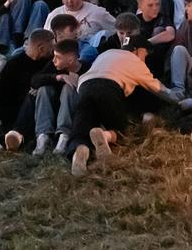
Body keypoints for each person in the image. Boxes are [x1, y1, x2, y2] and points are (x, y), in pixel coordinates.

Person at [68, 36, 182, 176]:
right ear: (138, 51)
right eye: (144, 55)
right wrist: (180, 100)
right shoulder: (135, 62)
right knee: (123, 129)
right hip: (109, 87)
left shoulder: (107, 53)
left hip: (84, 87)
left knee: (81, 127)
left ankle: (81, 149)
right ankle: (105, 136)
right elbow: (158, 89)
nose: (144, 59)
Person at [0, 30, 54, 152]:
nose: (52, 51)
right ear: (41, 48)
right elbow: (2, 94)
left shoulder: (50, 63)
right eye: (50, 47)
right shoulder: (14, 64)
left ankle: (11, 138)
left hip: (31, 111)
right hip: (9, 111)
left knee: (33, 93)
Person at [1, 37, 89, 156]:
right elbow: (35, 80)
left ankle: (64, 136)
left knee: (68, 88)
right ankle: (43, 136)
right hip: (51, 107)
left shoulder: (86, 69)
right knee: (43, 88)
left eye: (57, 57)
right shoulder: (53, 66)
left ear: (70, 60)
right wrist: (57, 77)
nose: (53, 60)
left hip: (70, 110)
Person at [43, 0, 117, 42]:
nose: (69, 0)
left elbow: (117, 29)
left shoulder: (98, 12)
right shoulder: (54, 15)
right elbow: (46, 40)